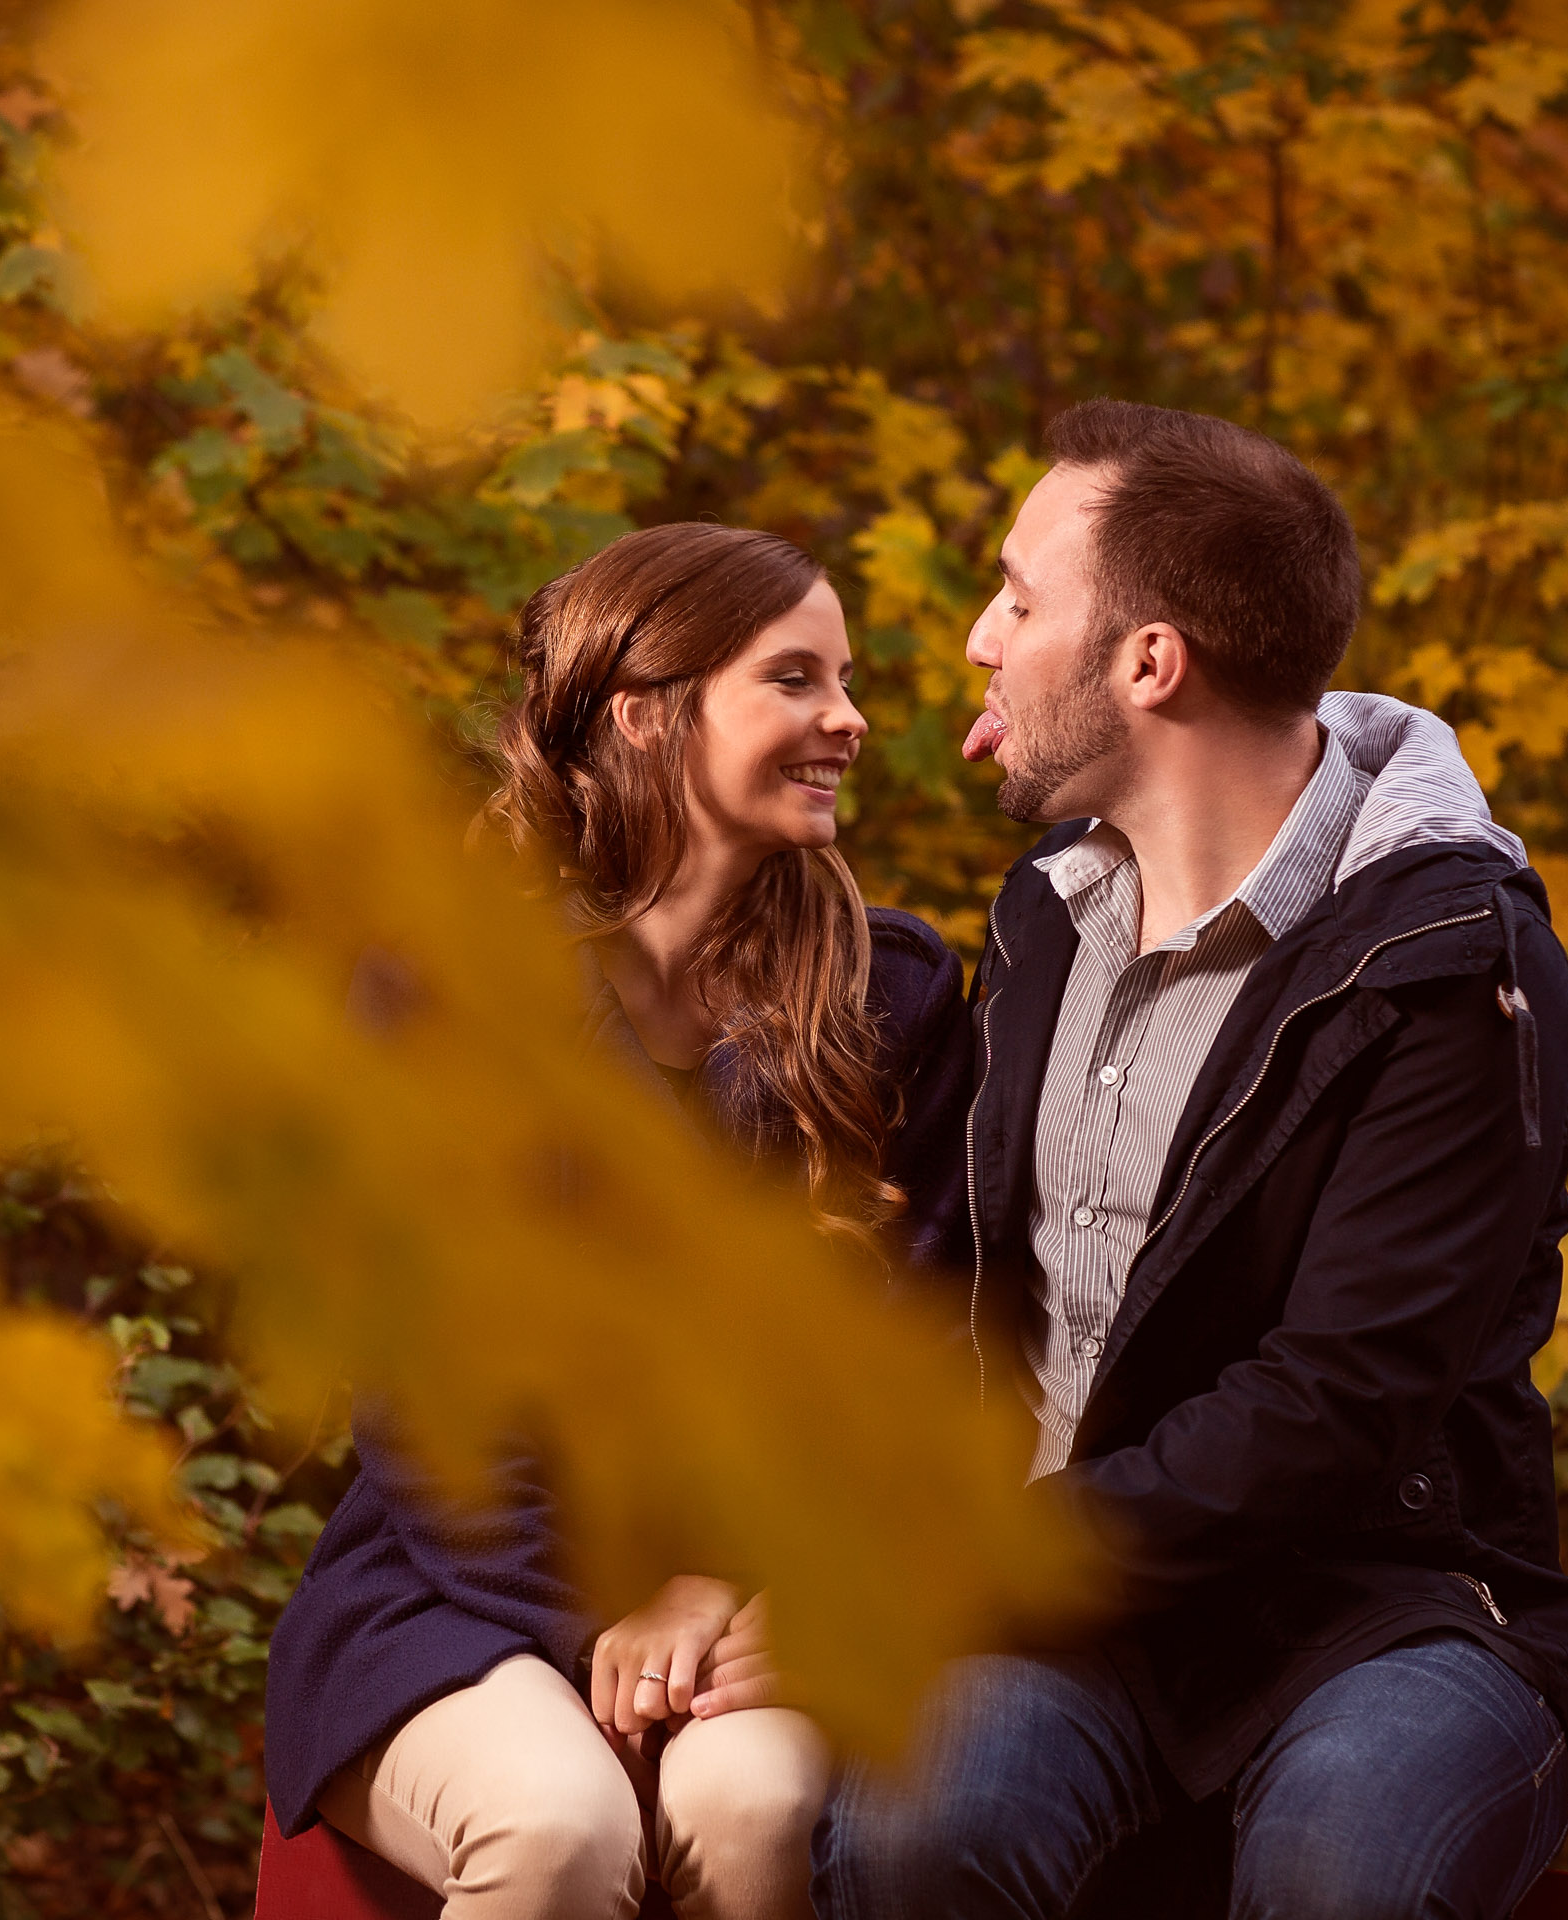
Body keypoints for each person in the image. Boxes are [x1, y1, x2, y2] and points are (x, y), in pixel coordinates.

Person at [813, 402, 1568, 1920]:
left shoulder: (1450, 959)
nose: (982, 639)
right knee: (916, 1835)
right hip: (1070, 1624)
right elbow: (970, 1289)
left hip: (1386, 1610)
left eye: (1021, 598)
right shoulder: (1043, 915)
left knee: (1340, 1875)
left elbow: (1334, 1407)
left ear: (1150, 663)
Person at [264, 522, 976, 1920]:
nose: (851, 717)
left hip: (765, 1595)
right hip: (460, 1587)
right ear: (650, 715)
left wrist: (743, 1590)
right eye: (794, 679)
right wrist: (610, 1623)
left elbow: (927, 1356)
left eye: (845, 678)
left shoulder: (891, 999)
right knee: (556, 1826)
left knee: (755, 1804)